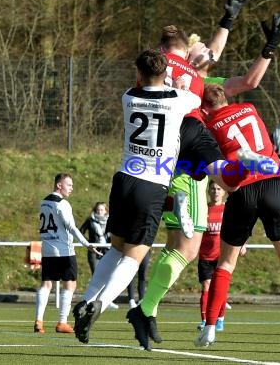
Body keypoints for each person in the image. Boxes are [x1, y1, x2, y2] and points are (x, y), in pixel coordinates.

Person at [130, 11, 280, 348]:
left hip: (189, 170)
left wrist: (234, 26)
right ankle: (139, 307)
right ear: (189, 55)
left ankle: (145, 308)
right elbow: (229, 68)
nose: (210, 48)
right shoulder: (194, 87)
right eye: (202, 46)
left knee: (179, 249)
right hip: (185, 168)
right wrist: (237, 31)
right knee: (180, 247)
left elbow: (244, 78)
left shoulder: (207, 88)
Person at [72, 49, 245, 347]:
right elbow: (193, 96)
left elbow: (153, 86)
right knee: (133, 257)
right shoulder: (179, 100)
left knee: (115, 250)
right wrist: (180, 81)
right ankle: (98, 306)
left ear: (138, 76)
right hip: (151, 185)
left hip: (124, 179)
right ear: (165, 75)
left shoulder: (129, 96)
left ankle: (87, 298)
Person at [194, 83, 280, 358]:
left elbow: (207, 165)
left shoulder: (209, 127)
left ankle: (209, 327)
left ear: (205, 107)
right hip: (274, 183)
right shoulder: (249, 108)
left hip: (243, 190)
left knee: (226, 264)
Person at [35, 173, 101, 334]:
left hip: (48, 248)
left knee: (46, 284)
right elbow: (72, 227)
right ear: (59, 185)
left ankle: (38, 321)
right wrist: (87, 244)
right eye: (69, 185)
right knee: (70, 284)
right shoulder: (62, 204)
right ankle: (62, 322)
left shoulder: (44, 201)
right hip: (64, 250)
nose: (71, 188)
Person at [197, 180, 247, 331]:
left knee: (219, 287)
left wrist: (242, 243)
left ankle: (220, 319)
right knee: (206, 286)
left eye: (218, 189)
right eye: (212, 189)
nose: (215, 191)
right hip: (205, 256)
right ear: (208, 191)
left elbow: (241, 226)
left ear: (224, 192)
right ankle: (205, 320)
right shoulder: (203, 209)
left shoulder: (228, 209)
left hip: (222, 255)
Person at [79, 202, 119, 310]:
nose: (99, 212)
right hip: (94, 250)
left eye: (102, 210)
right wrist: (88, 243)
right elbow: (80, 232)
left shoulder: (110, 220)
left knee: (109, 275)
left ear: (106, 211)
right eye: (97, 210)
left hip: (107, 250)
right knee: (96, 274)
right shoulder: (90, 220)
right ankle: (92, 300)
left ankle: (106, 299)